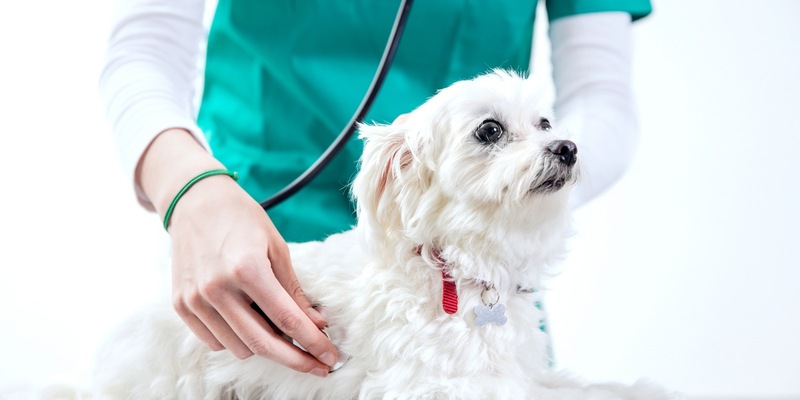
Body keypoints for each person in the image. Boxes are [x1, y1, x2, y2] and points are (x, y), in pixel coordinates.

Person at [100, 0, 651, 379]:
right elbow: (144, 51)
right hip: (251, 253)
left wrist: (504, 210)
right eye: (492, 133)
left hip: (478, 283)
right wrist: (191, 192)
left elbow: (600, 93)